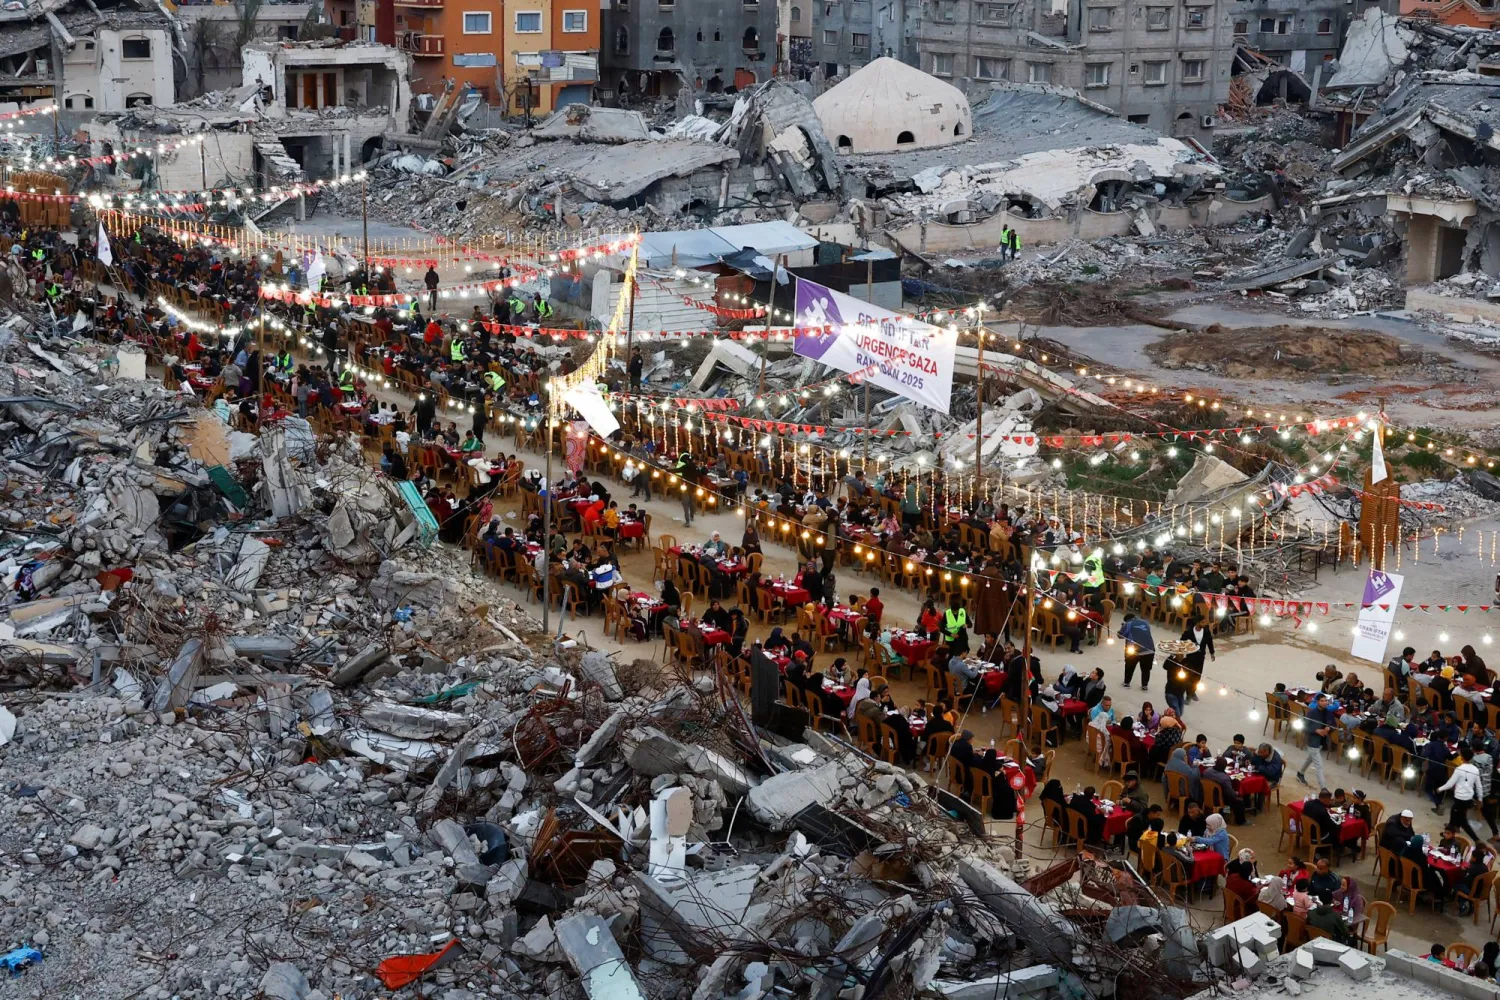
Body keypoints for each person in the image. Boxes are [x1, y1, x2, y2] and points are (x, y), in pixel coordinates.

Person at [1439, 748, 1485, 841]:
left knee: (1462, 821)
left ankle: (1476, 840)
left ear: (1462, 757)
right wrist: (1480, 798)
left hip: (1460, 798)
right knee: (1454, 814)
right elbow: (1479, 786)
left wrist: (1440, 788)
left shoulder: (1459, 769)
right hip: (1468, 799)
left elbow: (1450, 784)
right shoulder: (1475, 770)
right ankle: (1448, 832)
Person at [1296, 693, 1333, 790]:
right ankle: (1323, 789)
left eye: (1326, 701)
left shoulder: (1328, 712)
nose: (1324, 703)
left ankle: (1300, 773)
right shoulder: (1311, 713)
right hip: (1313, 742)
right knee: (1319, 766)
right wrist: (1315, 730)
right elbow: (1303, 728)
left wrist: (1328, 727)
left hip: (1322, 742)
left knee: (1310, 759)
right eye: (1322, 701)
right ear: (1317, 702)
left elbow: (1332, 723)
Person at [1202, 759, 1247, 825]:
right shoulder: (1224, 778)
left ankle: (1224, 812)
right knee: (1239, 802)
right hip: (1218, 800)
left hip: (1207, 796)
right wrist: (1237, 793)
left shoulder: (1206, 771)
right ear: (1224, 766)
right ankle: (1241, 821)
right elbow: (1231, 794)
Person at [1118, 613, 1155, 690]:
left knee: (1129, 667)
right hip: (1149, 649)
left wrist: (1122, 627)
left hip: (1134, 651)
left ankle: (1126, 683)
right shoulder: (1145, 622)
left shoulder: (1128, 624)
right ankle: (1144, 685)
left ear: (1127, 620)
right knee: (1146, 669)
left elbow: (1120, 635)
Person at [1301, 788, 1337, 857]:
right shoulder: (1323, 811)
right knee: (1335, 830)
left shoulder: (1307, 803)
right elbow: (1330, 825)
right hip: (1316, 838)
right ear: (1325, 800)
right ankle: (1329, 851)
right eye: (1330, 800)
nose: (1330, 802)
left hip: (1306, 833)